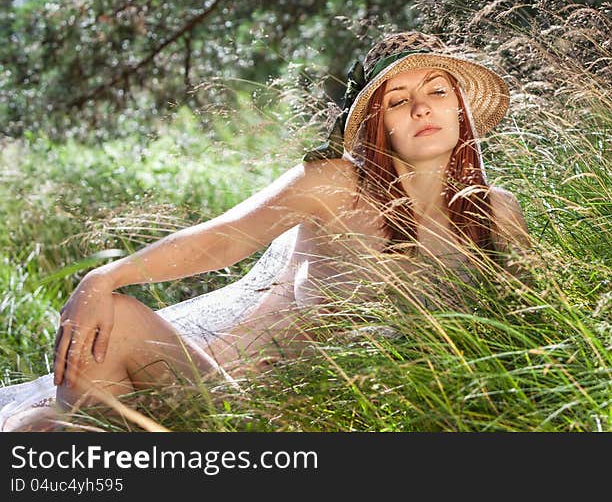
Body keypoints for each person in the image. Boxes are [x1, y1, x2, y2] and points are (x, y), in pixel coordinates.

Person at [1, 30, 531, 431]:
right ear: (377, 124)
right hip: (221, 394)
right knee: (101, 335)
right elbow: (224, 238)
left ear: (459, 108)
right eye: (398, 100)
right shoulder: (337, 184)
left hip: (331, 421)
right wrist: (105, 276)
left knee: (43, 431)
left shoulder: (495, 214)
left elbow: (533, 317)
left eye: (437, 91)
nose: (421, 107)